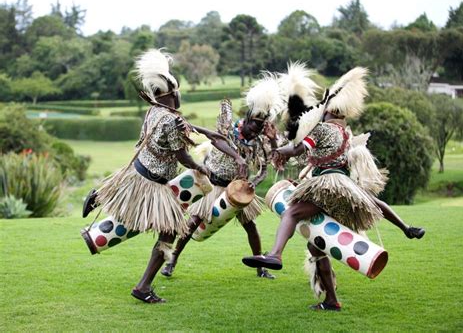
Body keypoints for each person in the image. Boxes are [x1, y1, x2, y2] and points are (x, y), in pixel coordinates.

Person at [243, 65, 425, 311]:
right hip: (345, 188)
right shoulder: (345, 134)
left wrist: (278, 151)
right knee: (316, 247)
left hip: (327, 186)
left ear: (328, 110)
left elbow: (296, 151)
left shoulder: (322, 129)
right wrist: (404, 227)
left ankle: (274, 254)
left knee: (292, 213)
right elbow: (374, 203)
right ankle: (331, 300)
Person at [82, 49, 245, 304]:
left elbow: (182, 130)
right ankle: (143, 287)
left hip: (137, 175)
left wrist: (214, 137)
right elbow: (182, 156)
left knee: (132, 214)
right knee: (169, 231)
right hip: (153, 185)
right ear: (173, 93)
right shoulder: (170, 121)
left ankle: (99, 196)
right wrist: (202, 169)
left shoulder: (154, 111)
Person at [161, 75, 285, 279]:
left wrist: (255, 179)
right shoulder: (229, 130)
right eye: (254, 127)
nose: (256, 132)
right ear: (247, 120)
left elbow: (268, 165)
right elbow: (218, 141)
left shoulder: (260, 140)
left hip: (236, 189)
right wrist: (238, 157)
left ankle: (260, 268)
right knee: (192, 223)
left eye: (260, 129)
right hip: (213, 184)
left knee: (251, 226)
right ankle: (172, 260)